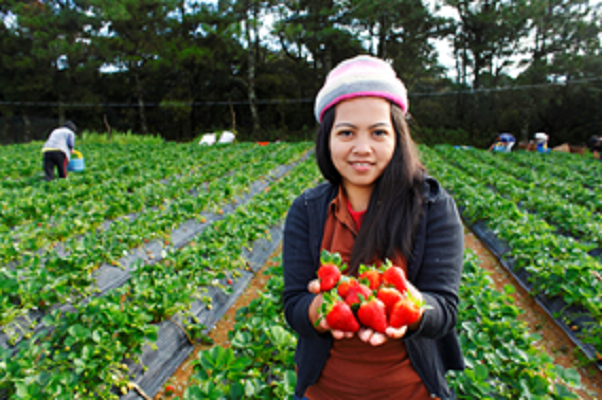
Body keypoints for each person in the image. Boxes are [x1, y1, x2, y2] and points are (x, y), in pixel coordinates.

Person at [283, 55, 465, 400]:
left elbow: (444, 309)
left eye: (378, 132)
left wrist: (412, 307)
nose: (362, 148)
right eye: (346, 132)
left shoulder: (432, 207)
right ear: (327, 139)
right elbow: (293, 303)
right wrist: (320, 309)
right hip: (322, 393)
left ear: (398, 136)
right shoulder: (306, 210)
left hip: (411, 393)